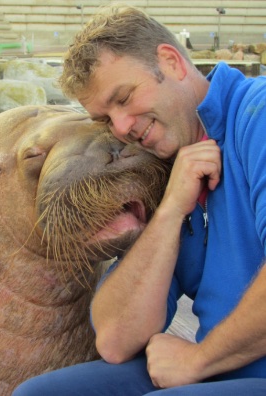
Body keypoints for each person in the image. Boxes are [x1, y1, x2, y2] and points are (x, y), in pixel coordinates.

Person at [13, 4, 266, 395]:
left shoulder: (257, 113)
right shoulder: (169, 162)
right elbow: (115, 340)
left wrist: (199, 360)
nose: (122, 128)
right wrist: (169, 211)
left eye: (125, 97)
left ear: (170, 62)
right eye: (104, 119)